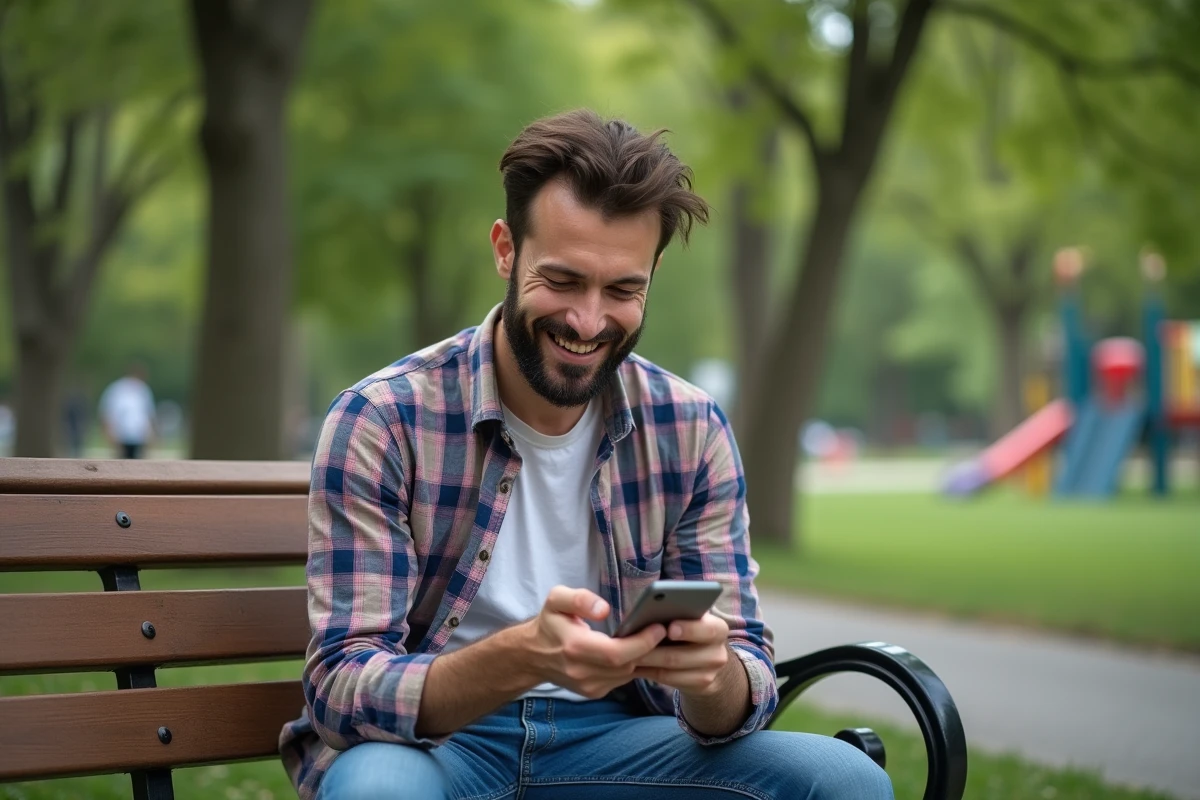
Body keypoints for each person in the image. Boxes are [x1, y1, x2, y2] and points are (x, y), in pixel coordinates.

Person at [279, 109, 893, 800]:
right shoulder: (384, 420)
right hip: (435, 746)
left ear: (654, 274)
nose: (588, 321)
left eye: (624, 289)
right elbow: (340, 689)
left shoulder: (690, 429)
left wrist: (711, 671)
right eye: (564, 281)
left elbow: (744, 682)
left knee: (845, 782)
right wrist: (514, 661)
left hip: (620, 742)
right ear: (506, 250)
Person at [98, 364, 156, 459]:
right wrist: (109, 432)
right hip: (121, 434)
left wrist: (150, 433)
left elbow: (147, 414)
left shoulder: (143, 390)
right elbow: (109, 412)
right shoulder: (117, 389)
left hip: (139, 435)